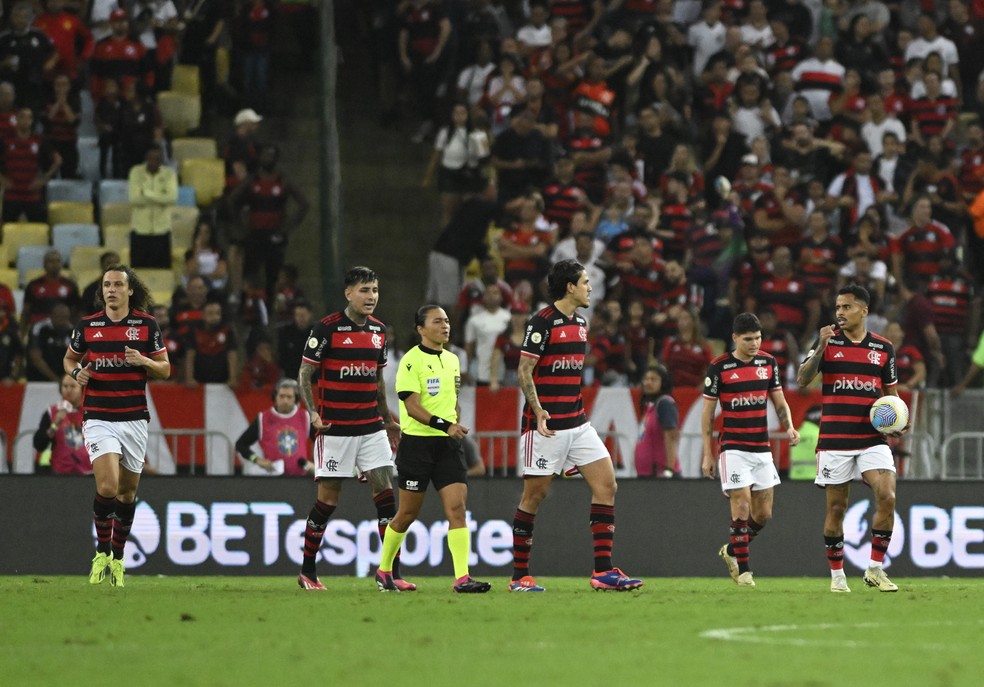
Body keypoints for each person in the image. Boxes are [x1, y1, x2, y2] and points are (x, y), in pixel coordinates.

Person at [508, 259, 643, 592]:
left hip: (578, 424)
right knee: (534, 496)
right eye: (585, 282)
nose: (590, 287)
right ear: (569, 286)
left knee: (607, 485)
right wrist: (538, 410)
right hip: (546, 426)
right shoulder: (541, 322)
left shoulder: (581, 323)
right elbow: (524, 371)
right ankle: (518, 577)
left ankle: (603, 572)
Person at [296, 266, 409, 591]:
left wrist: (388, 420)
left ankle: (389, 573)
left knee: (386, 495)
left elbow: (376, 379)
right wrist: (313, 413)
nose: (371, 296)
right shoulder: (327, 329)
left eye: (374, 290)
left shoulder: (379, 331)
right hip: (335, 429)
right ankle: (308, 571)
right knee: (328, 501)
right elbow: (305, 373)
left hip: (371, 427)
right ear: (348, 294)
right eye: (364, 290)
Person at [64, 264, 170, 587]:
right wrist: (75, 373)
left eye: (117, 285)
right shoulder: (87, 327)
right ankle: (102, 552)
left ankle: (119, 559)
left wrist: (145, 361)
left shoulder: (146, 326)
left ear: (129, 290)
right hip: (98, 416)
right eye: (106, 285)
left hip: (134, 417)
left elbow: (165, 369)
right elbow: (70, 359)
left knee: (127, 493)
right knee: (107, 487)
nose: (111, 290)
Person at [375, 304, 491, 594]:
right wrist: (446, 425)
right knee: (407, 514)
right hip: (417, 446)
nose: (445, 326)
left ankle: (462, 578)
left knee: (457, 509)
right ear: (421, 329)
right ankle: (384, 569)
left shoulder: (452, 360)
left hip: (448, 445)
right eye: (438, 321)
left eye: (448, 321)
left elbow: (452, 400)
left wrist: (454, 421)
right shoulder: (410, 362)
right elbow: (412, 408)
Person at [796, 285, 904, 593]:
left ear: (864, 311)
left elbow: (891, 398)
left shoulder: (883, 348)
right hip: (834, 440)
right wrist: (819, 347)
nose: (840, 312)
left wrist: (895, 423)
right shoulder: (827, 343)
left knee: (888, 496)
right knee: (837, 510)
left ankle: (875, 568)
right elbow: (803, 380)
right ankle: (838, 576)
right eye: (838, 307)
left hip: (872, 438)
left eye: (846, 307)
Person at [701, 312, 800, 587]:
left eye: (758, 338)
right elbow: (708, 414)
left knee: (764, 514)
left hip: (761, 447)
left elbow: (779, 400)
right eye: (748, 339)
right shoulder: (719, 367)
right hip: (733, 447)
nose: (755, 343)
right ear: (734, 338)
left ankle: (732, 550)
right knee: (741, 504)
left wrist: (789, 426)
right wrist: (708, 454)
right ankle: (744, 571)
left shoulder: (768, 363)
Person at [235, 378, 313, 475]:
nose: (285, 400)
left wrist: (315, 465)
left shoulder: (305, 417)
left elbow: (321, 442)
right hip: (273, 479)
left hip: (299, 478)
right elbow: (241, 444)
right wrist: (257, 460)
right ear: (275, 397)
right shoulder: (263, 418)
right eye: (282, 396)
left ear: (296, 399)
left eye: (289, 397)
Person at [128, 144, 178, 269]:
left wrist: (146, 193)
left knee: (161, 271)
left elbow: (171, 199)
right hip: (140, 230)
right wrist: (161, 197)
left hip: (161, 231)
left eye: (157, 159)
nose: (153, 162)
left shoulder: (169, 174)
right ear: (146, 158)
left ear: (161, 160)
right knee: (139, 273)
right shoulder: (136, 172)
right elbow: (134, 199)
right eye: (151, 158)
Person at [32, 373, 89, 474]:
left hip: (89, 472)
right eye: (65, 386)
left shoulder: (91, 411)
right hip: (60, 473)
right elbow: (39, 444)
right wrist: (55, 424)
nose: (68, 390)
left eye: (73, 386)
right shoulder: (51, 412)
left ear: (82, 388)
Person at [634, 364, 680, 479]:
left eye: (653, 379)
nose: (648, 382)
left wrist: (669, 471)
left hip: (660, 476)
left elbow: (671, 437)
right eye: (646, 378)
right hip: (648, 474)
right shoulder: (650, 407)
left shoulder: (665, 404)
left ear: (663, 382)